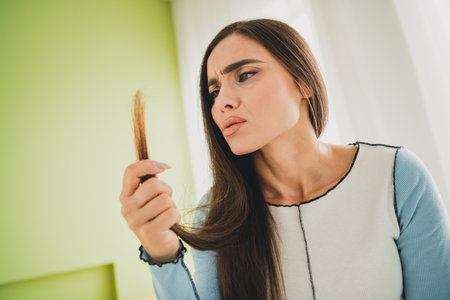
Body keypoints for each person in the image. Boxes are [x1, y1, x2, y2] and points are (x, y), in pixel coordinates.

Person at [119, 19, 450, 300]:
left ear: (303, 81)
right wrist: (162, 253)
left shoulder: (396, 177)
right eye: (214, 91)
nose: (222, 103)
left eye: (245, 75)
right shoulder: (217, 213)